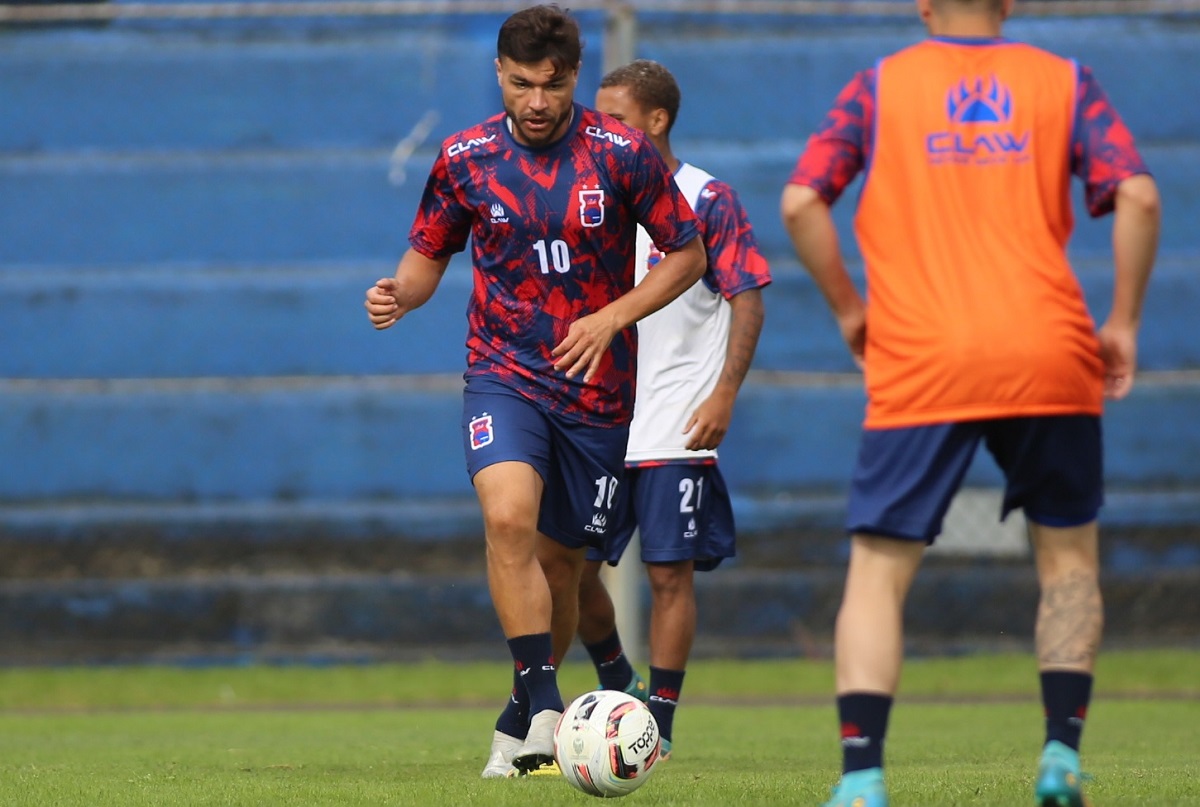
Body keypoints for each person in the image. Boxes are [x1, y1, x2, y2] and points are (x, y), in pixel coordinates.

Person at [779, 0, 1160, 805]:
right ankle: (1060, 756)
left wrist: (851, 309)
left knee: (879, 573)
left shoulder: (878, 87)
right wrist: (1122, 320)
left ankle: (862, 777)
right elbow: (1139, 195)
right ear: (1008, 3)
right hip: (1048, 349)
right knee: (1066, 562)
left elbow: (800, 202)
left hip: (922, 355)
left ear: (924, 5)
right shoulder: (1064, 81)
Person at [363, 4, 706, 779]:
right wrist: (398, 296)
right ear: (500, 75)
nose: (538, 101)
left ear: (574, 77)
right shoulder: (464, 158)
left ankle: (524, 718)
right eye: (522, 84)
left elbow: (685, 254)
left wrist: (613, 317)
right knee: (507, 518)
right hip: (503, 373)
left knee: (564, 571)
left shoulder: (622, 153)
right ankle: (544, 696)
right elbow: (425, 257)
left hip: (595, 391)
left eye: (552, 85)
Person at [570, 59, 771, 761]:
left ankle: (663, 721)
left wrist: (722, 395)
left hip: (675, 415)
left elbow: (748, 297)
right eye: (596, 119)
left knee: (667, 573)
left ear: (656, 120)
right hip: (596, 413)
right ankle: (618, 685)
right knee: (565, 571)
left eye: (615, 118)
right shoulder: (590, 194)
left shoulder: (707, 198)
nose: (600, 130)